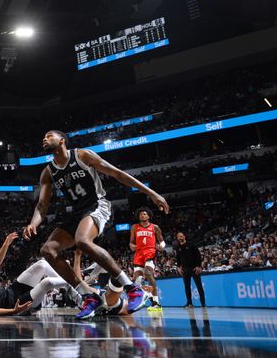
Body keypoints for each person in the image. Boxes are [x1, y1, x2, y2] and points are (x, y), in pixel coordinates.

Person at [23, 130, 170, 319]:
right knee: (48, 250)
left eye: (49, 135)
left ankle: (133, 288)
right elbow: (42, 206)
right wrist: (33, 223)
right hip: (77, 213)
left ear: (61, 141)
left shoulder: (82, 155)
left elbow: (117, 173)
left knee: (82, 241)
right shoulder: (48, 172)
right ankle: (88, 296)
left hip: (97, 205)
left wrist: (151, 193)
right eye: (43, 136)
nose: (44, 138)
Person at [0, 232, 80, 316]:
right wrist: (15, 311)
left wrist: (6, 244)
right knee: (48, 282)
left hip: (12, 291)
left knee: (42, 264)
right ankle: (76, 281)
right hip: (16, 305)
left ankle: (74, 288)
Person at [130, 207, 165, 309]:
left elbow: (162, 242)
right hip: (138, 253)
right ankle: (150, 298)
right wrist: (131, 246)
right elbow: (131, 242)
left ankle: (156, 302)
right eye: (141, 214)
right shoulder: (134, 227)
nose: (142, 215)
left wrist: (161, 247)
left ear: (149, 216)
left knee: (148, 274)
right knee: (138, 279)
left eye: (145, 214)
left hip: (150, 251)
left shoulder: (155, 227)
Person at [175, 232, 206, 307]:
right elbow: (178, 259)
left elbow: (198, 255)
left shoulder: (191, 245)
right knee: (187, 286)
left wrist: (198, 266)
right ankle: (189, 303)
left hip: (194, 268)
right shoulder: (178, 247)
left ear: (184, 236)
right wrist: (178, 267)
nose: (180, 238)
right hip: (185, 269)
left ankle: (203, 303)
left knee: (199, 286)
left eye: (181, 236)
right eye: (179, 237)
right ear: (177, 238)